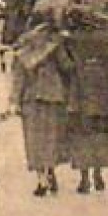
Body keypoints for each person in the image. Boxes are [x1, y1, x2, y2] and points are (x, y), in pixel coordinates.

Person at [62, 5, 108, 194]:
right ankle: (99, 174)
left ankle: (84, 178)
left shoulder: (72, 40)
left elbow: (66, 66)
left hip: (79, 92)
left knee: (81, 134)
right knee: (101, 134)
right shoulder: (107, 38)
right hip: (103, 92)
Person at [13, 16, 71, 196]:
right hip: (54, 97)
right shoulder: (55, 46)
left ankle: (41, 179)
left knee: (34, 141)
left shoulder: (24, 50)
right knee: (52, 138)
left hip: (30, 99)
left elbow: (18, 79)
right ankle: (50, 169)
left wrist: (15, 101)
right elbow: (68, 68)